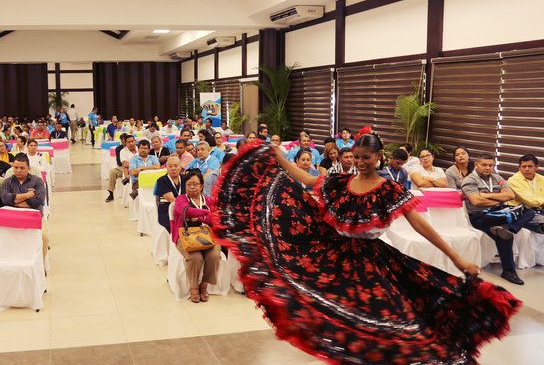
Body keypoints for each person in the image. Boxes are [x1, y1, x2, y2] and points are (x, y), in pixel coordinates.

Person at [212, 134, 519, 363]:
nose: (359, 163)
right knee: (335, 316)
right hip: (335, 255)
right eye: (356, 157)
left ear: (379, 156)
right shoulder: (340, 181)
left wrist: (457, 257)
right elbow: (305, 179)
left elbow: (419, 225)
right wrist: (277, 156)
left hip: (373, 261)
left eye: (366, 158)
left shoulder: (388, 188)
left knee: (389, 318)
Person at [462, 153, 536, 285]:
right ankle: (508, 270)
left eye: (491, 165)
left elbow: (510, 195)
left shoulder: (497, 177)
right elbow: (476, 201)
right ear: (477, 165)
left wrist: (486, 196)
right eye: (484, 165)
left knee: (528, 211)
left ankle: (511, 228)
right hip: (479, 217)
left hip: (499, 212)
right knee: (504, 235)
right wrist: (497, 196)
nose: (487, 168)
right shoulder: (470, 180)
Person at [171, 170, 221, 303]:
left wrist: (201, 217)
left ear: (202, 185)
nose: (192, 187)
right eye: (188, 185)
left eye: (195, 184)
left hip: (207, 235)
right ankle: (193, 288)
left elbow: (216, 218)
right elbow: (188, 211)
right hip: (185, 235)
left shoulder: (208, 200)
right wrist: (207, 213)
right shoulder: (181, 199)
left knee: (214, 256)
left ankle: (204, 284)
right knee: (196, 258)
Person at [0, 154, 49, 257]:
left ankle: (41, 264)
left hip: (33, 216)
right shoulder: (7, 182)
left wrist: (14, 201)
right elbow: (4, 199)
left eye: (22, 168)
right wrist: (27, 195)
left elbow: (38, 200)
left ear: (28, 168)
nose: (18, 170)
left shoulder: (37, 181)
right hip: (12, 218)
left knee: (44, 237)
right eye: (16, 167)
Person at [154, 157, 184, 232]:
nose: (173, 168)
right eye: (170, 166)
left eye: (176, 166)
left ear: (180, 167)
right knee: (175, 227)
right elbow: (172, 200)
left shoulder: (185, 179)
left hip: (184, 209)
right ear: (166, 168)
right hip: (167, 209)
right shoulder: (162, 180)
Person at [106, 135, 137, 202]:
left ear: (135, 141)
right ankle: (111, 193)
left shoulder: (139, 148)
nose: (131, 143)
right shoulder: (121, 150)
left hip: (138, 170)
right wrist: (137, 164)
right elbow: (123, 164)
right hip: (122, 168)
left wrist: (131, 164)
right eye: (128, 142)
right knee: (112, 172)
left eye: (132, 141)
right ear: (125, 143)